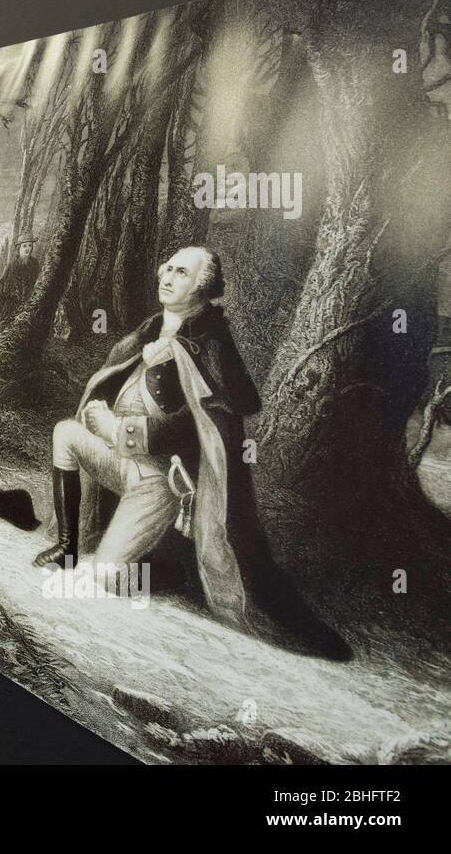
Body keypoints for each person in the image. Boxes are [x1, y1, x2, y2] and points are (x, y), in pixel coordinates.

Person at [39, 245, 347, 656]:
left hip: (160, 482)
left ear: (202, 288)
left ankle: (168, 571)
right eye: (166, 268)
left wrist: (115, 428)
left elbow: (193, 427)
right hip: (122, 465)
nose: (166, 277)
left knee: (108, 576)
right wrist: (99, 410)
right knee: (65, 433)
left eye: (181, 272)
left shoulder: (210, 344)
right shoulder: (148, 331)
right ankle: (68, 545)